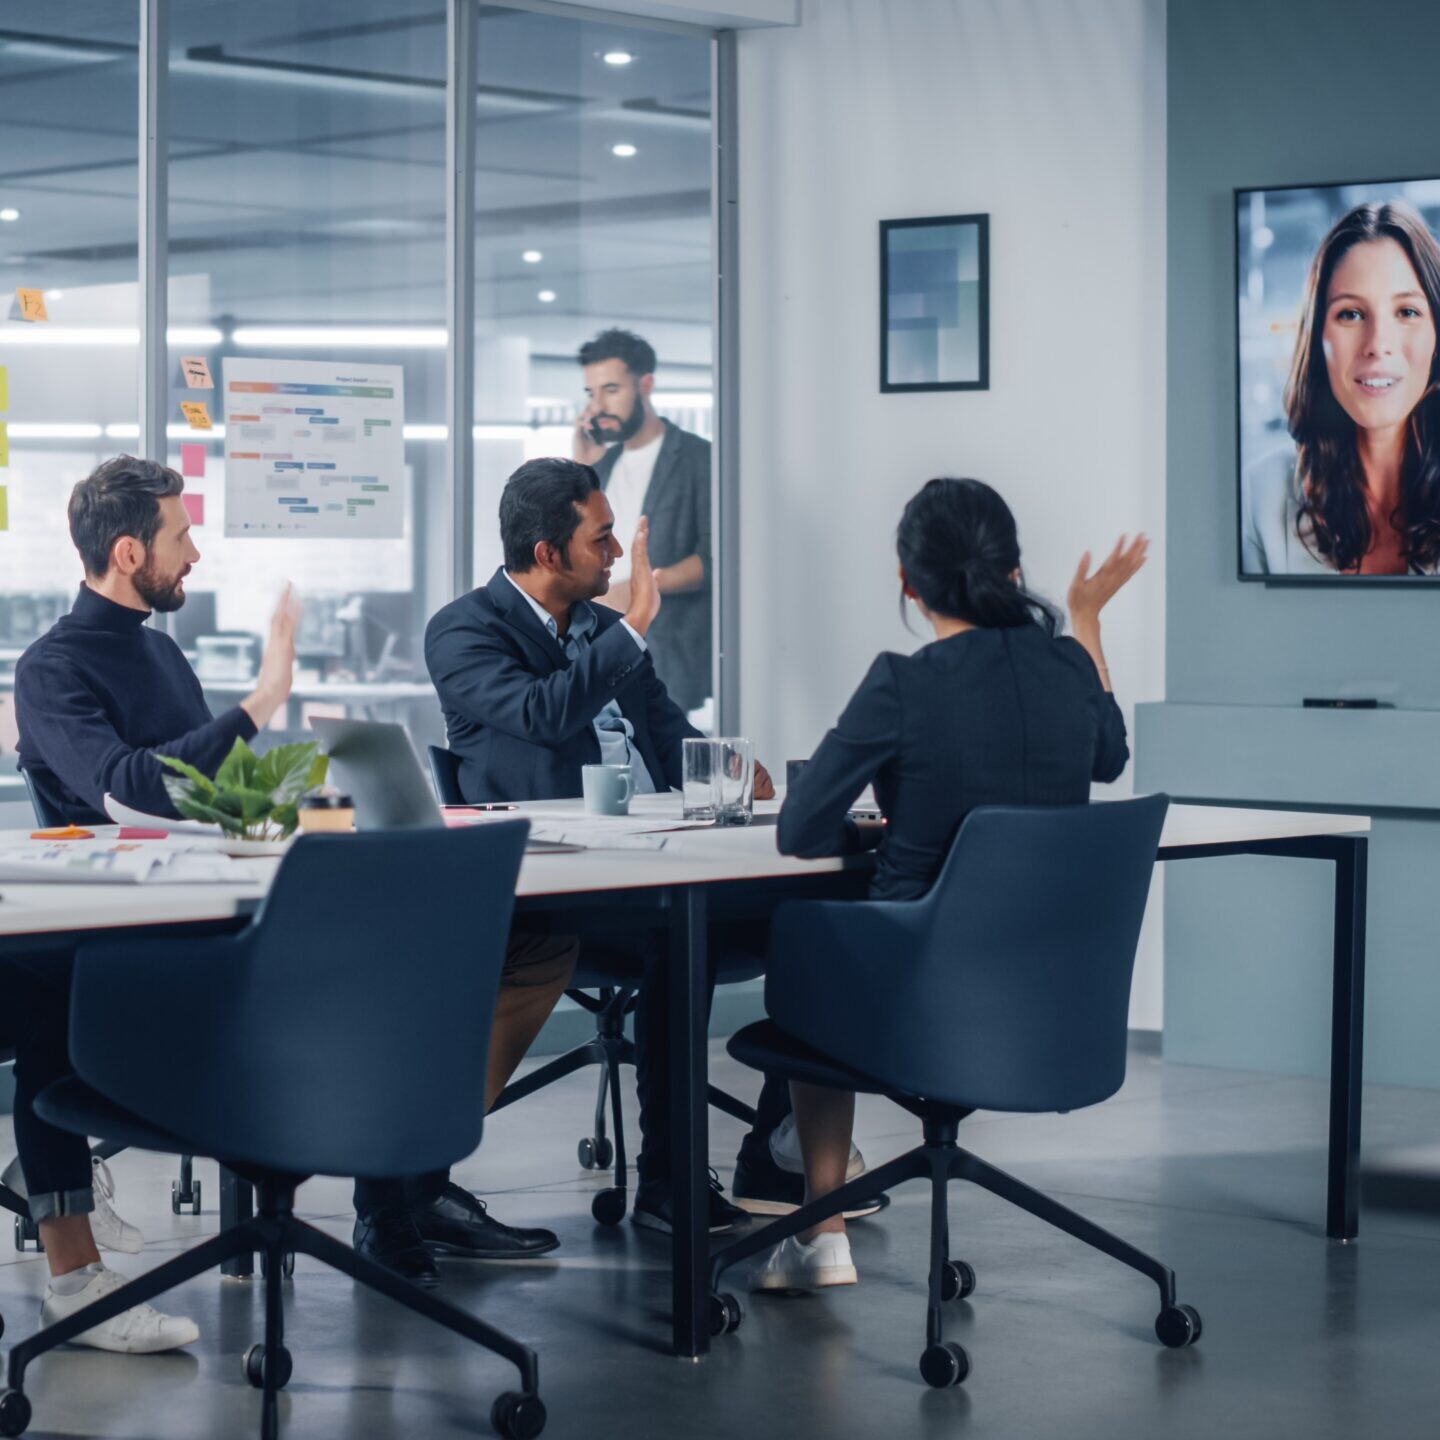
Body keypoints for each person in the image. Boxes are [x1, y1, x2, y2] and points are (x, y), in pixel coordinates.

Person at [15, 455, 571, 1295]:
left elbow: (210, 798)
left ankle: (397, 1198)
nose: (196, 553)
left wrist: (296, 805)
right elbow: (130, 787)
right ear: (128, 554)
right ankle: (82, 1253)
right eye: (182, 535)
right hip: (130, 943)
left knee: (392, 960)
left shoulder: (161, 659)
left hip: (214, 909)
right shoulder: (50, 669)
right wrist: (258, 703)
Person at [751, 477, 1145, 1292]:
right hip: (1053, 1006)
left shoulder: (905, 681)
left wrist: (871, 832)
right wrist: (1087, 621)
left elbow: (797, 832)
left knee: (812, 930)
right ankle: (808, 1182)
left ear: (908, 582)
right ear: (1012, 570)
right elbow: (1110, 758)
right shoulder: (1069, 667)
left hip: (916, 1001)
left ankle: (822, 1229)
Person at [426, 456, 779, 1233]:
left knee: (804, 925)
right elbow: (545, 713)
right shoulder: (464, 631)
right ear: (548, 552)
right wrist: (634, 628)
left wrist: (727, 768)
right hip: (557, 893)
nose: (617, 554)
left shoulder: (596, 627)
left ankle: (770, 1156)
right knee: (675, 946)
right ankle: (671, 1183)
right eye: (603, 537)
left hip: (651, 868)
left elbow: (665, 729)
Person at [1243, 200, 1440, 575]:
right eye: (1350, 313)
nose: (1378, 343)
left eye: (1407, 312)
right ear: (1319, 338)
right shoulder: (1260, 497)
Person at [573, 328, 713, 715]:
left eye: (611, 390)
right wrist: (580, 469)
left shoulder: (699, 459)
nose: (599, 405)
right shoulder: (600, 466)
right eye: (591, 393)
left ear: (645, 385)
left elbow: (716, 559)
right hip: (600, 650)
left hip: (670, 656)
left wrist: (639, 589)